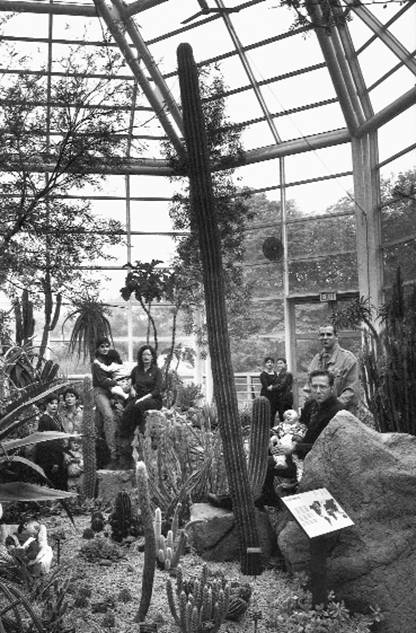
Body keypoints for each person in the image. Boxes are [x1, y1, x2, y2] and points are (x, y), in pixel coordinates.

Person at [304, 324, 359, 410]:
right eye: (322, 335)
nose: (325, 337)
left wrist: (333, 407)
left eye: (329, 334)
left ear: (336, 337)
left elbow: (351, 390)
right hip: (319, 411)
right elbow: (308, 386)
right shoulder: (316, 359)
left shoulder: (348, 359)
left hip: (342, 411)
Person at [295, 369, 344, 459]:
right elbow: (301, 426)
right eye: (314, 386)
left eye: (322, 387)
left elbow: (328, 446)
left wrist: (294, 448)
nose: (318, 391)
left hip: (322, 460)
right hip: (301, 452)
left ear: (332, 388)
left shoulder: (338, 411)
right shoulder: (309, 404)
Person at [92, 337, 123, 468]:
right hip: (100, 392)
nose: (105, 349)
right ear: (98, 348)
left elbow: (118, 373)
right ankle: (113, 454)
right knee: (109, 417)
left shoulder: (111, 359)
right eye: (102, 346)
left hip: (111, 392)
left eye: (107, 346)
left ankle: (109, 455)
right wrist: (117, 383)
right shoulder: (96, 363)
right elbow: (102, 381)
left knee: (101, 422)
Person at [120, 345, 163, 440]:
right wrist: (132, 389)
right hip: (138, 397)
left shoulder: (156, 371)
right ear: (140, 356)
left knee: (138, 406)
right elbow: (130, 381)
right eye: (144, 354)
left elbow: (157, 390)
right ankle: (124, 437)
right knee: (127, 410)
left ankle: (136, 433)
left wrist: (143, 398)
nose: (146, 357)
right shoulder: (136, 369)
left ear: (152, 357)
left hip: (153, 399)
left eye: (148, 354)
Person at [34, 395, 71, 490]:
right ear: (46, 404)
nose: (54, 406)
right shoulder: (44, 420)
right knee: (54, 485)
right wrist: (53, 462)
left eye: (56, 403)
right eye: (51, 403)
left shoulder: (54, 418)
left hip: (58, 456)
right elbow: (46, 443)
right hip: (50, 460)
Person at [59, 387, 84, 488]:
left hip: (81, 451)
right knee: (70, 480)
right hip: (67, 453)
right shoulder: (61, 416)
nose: (69, 399)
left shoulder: (82, 414)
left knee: (81, 481)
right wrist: (65, 453)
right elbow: (60, 436)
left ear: (77, 399)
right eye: (67, 397)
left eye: (72, 396)